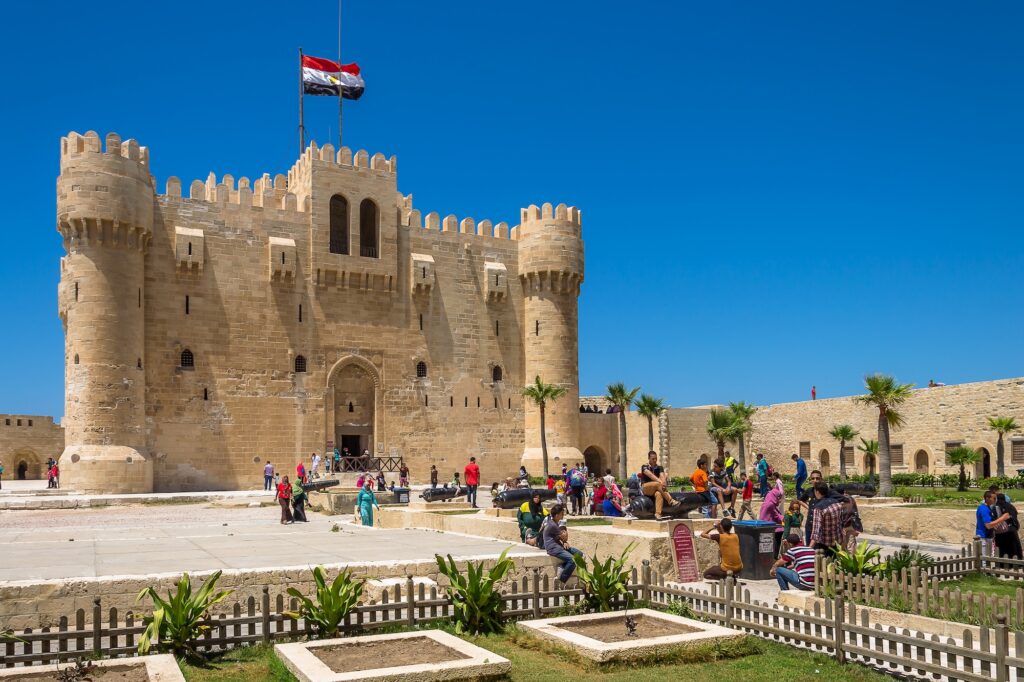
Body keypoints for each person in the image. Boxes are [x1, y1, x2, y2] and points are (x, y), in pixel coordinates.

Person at [543, 504, 584, 584]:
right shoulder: (553, 525)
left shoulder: (555, 523)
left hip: (559, 546)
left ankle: (562, 567)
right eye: (562, 513)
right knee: (573, 560)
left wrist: (564, 541)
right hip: (553, 548)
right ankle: (562, 580)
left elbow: (563, 538)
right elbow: (564, 537)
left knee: (579, 554)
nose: (563, 515)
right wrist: (564, 539)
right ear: (557, 515)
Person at [641, 450, 681, 521]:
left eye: (656, 458)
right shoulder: (644, 466)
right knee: (657, 483)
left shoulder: (659, 467)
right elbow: (650, 475)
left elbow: (662, 476)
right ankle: (671, 501)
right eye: (653, 459)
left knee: (659, 494)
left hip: (657, 488)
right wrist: (660, 481)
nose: (655, 460)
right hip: (646, 488)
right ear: (649, 458)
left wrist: (664, 482)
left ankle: (658, 514)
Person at [810, 482, 844, 555]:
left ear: (817, 492)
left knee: (824, 565)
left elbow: (816, 531)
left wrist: (809, 548)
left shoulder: (819, 508)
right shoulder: (837, 503)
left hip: (825, 545)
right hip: (837, 542)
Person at [977, 490, 1011, 555]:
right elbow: (988, 525)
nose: (995, 500)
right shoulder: (984, 509)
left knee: (987, 560)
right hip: (984, 538)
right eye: (994, 498)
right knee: (984, 561)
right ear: (987, 498)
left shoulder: (987, 507)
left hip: (988, 537)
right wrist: (1002, 518)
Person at [993, 493, 1023, 560]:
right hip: (1012, 529)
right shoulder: (1011, 506)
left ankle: (1003, 564)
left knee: (1003, 547)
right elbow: (1015, 516)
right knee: (1014, 546)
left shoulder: (996, 507)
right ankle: (1017, 563)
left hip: (1002, 530)